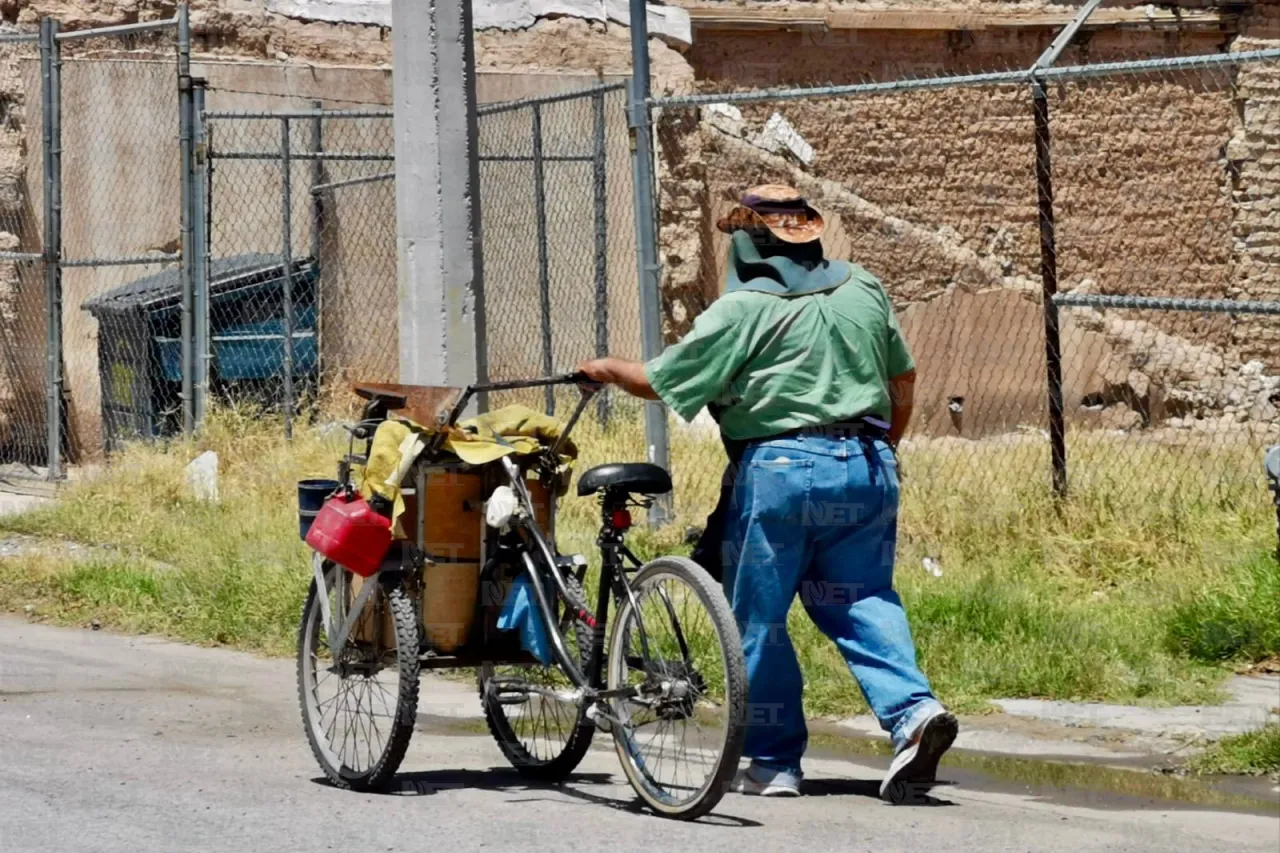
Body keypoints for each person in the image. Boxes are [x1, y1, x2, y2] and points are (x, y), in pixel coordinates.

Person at [577, 184, 956, 801]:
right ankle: (913, 715)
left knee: (761, 620)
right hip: (868, 462)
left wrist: (607, 369)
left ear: (750, 244)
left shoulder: (743, 308)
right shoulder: (863, 287)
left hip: (783, 470)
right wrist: (887, 446)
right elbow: (902, 377)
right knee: (862, 599)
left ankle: (776, 763)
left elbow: (661, 380)